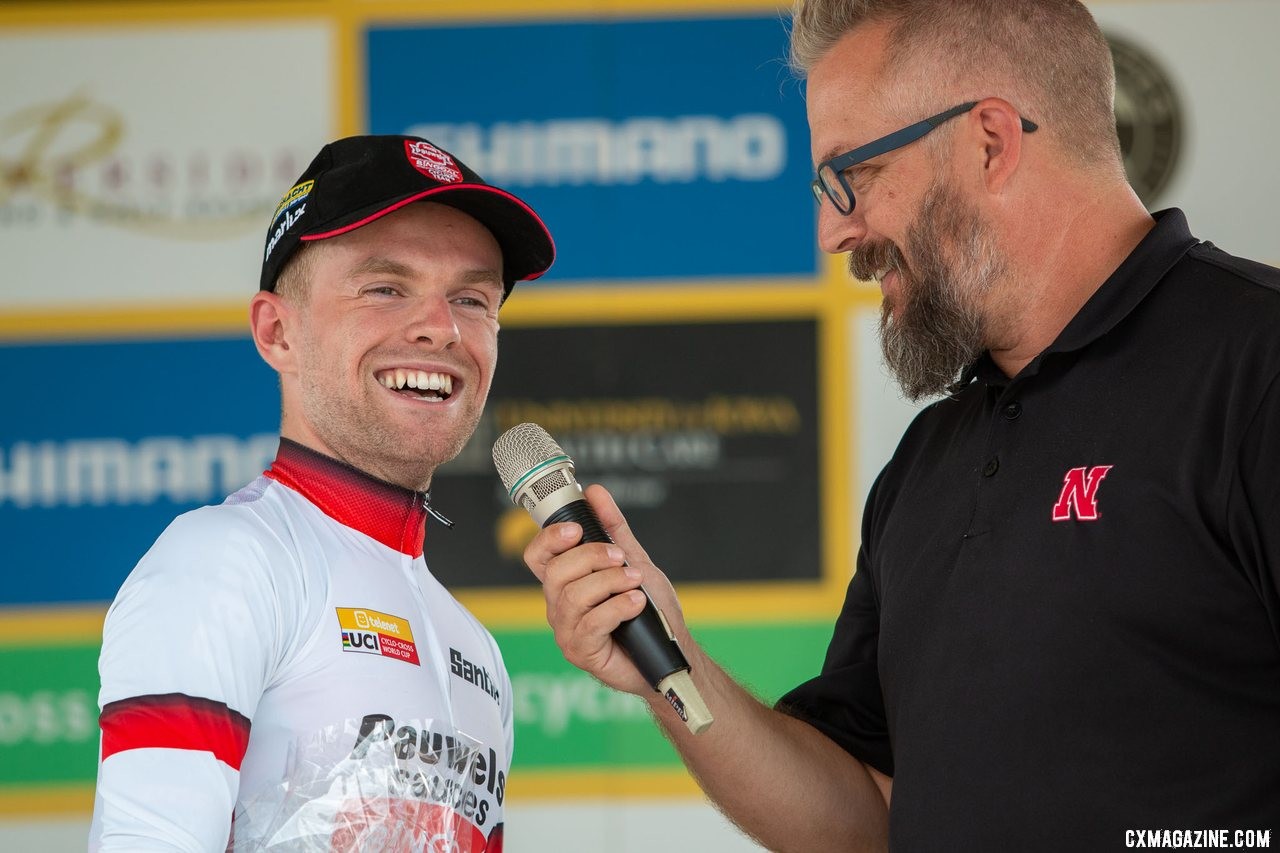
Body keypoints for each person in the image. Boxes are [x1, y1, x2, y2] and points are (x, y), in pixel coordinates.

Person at [521, 1, 1280, 850]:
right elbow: (865, 817)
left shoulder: (1257, 368)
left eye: (854, 176)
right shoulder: (928, 463)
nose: (832, 231)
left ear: (990, 140)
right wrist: (671, 665)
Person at [90, 135, 554, 852]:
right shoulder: (225, 562)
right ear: (278, 332)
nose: (442, 327)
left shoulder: (479, 653)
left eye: (472, 298)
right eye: (385, 287)